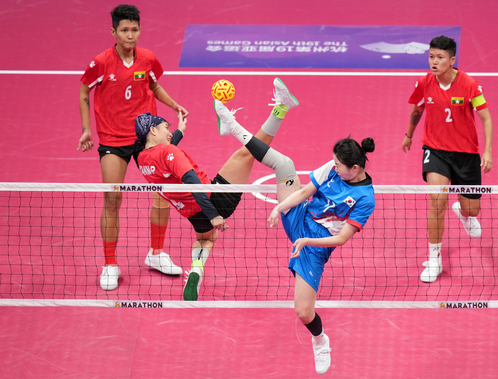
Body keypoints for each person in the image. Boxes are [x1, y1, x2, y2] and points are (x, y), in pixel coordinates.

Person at [214, 99, 376, 375]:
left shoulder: (364, 199)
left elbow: (340, 240)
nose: (334, 167)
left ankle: (320, 340)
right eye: (334, 162)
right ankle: (233, 125)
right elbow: (303, 192)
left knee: (303, 311)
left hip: (316, 244)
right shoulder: (333, 168)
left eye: (339, 166)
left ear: (356, 169)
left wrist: (304, 241)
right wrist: (279, 207)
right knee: (285, 164)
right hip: (299, 213)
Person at [135, 78, 300, 301]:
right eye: (167, 128)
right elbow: (191, 180)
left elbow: (165, 152)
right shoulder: (169, 153)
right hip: (214, 200)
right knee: (247, 152)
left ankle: (196, 270)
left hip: (192, 213)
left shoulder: (142, 159)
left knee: (206, 240)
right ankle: (278, 109)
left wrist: (180, 131)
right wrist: (214, 215)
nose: (170, 132)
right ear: (153, 130)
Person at [77, 4, 187, 291]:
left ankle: (156, 253)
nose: (130, 35)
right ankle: (110, 264)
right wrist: (87, 129)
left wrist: (174, 105)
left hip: (146, 138)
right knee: (113, 201)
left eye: (134, 30)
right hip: (113, 139)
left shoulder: (148, 58)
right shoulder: (101, 62)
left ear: (140, 30)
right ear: (113, 31)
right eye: (124, 30)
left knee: (164, 192)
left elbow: (153, 86)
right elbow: (83, 90)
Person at [401, 35, 494, 283]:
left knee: (472, 208)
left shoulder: (470, 85)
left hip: (466, 154)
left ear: (452, 60)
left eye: (440, 57)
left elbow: (486, 118)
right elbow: (417, 109)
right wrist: (409, 135)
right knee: (436, 200)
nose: (434, 61)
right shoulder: (424, 83)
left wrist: (487, 151)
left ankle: (463, 213)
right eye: (431, 56)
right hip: (436, 150)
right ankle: (435, 259)